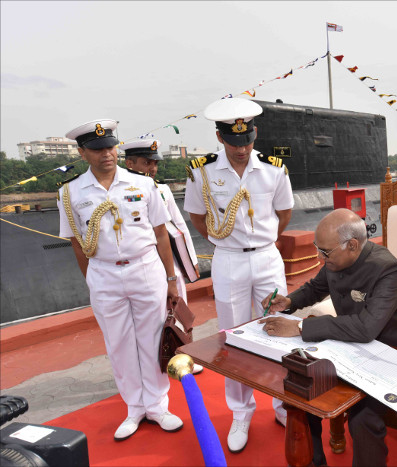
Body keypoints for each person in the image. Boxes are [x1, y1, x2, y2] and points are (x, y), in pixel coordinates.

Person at [259, 208, 397, 467]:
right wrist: (289, 301)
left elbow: (367, 328)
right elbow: (316, 287)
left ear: (352, 245)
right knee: (302, 392)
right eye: (318, 249)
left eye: (324, 252)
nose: (319, 256)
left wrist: (301, 328)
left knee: (362, 417)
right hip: (350, 347)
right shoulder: (335, 259)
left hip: (396, 350)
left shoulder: (387, 269)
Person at [58, 120, 184, 440]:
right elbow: (76, 241)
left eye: (111, 147)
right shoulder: (71, 192)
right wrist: (93, 281)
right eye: (98, 149)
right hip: (104, 272)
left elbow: (160, 233)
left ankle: (157, 406)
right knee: (119, 343)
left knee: (153, 338)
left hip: (145, 267)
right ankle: (134, 407)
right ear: (82, 152)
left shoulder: (142, 184)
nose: (107, 154)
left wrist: (171, 278)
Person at [183, 97, 294, 452]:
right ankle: (241, 412)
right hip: (229, 258)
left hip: (265, 257)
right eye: (234, 142)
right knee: (232, 335)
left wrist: (264, 244)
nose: (242, 148)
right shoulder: (202, 172)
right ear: (220, 138)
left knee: (278, 329)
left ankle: (282, 401)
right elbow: (198, 217)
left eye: (247, 140)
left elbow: (284, 213)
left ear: (255, 134)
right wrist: (224, 240)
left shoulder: (274, 168)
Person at [121, 139, 204, 375]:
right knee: (147, 319)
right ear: (129, 162)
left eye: (155, 163)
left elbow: (179, 226)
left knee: (179, 311)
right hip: (145, 262)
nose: (153, 167)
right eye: (147, 162)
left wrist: (191, 261)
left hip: (171, 263)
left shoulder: (163, 189)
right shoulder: (121, 192)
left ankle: (185, 357)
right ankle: (145, 365)